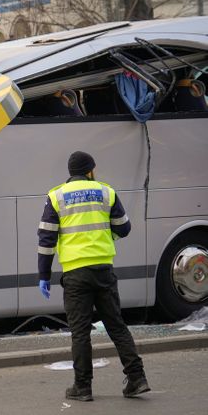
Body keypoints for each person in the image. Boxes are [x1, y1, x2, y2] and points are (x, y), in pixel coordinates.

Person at [37, 151, 150, 402]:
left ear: (70, 172)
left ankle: (83, 387)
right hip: (103, 270)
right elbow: (124, 227)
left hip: (75, 274)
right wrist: (105, 239)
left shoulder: (56, 196)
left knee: (80, 332)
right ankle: (137, 378)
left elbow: (47, 240)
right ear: (89, 170)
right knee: (116, 326)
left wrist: (44, 274)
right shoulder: (106, 192)